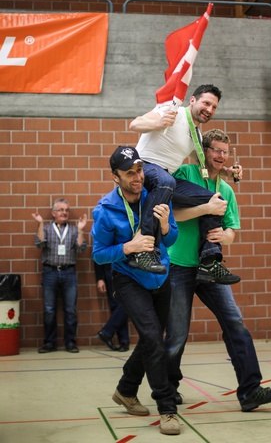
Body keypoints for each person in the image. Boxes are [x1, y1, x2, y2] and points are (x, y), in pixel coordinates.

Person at [165, 129, 271, 411]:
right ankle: (168, 389)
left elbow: (232, 230)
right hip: (179, 266)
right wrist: (206, 208)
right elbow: (174, 215)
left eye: (225, 152)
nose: (221, 156)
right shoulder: (185, 174)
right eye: (216, 150)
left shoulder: (227, 190)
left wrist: (225, 237)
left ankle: (250, 391)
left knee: (234, 322)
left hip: (211, 270)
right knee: (177, 334)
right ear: (204, 151)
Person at [91, 145, 181, 436]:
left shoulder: (155, 196)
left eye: (140, 170)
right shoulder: (105, 210)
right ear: (115, 177)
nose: (138, 177)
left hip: (161, 277)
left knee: (150, 340)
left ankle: (126, 390)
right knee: (153, 338)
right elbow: (99, 254)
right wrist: (128, 247)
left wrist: (165, 226)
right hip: (129, 280)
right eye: (129, 173)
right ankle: (167, 408)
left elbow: (171, 239)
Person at [129, 83, 241, 284]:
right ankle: (142, 250)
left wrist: (227, 172)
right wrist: (158, 122)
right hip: (145, 167)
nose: (209, 109)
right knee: (166, 181)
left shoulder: (196, 135)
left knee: (214, 200)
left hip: (167, 179)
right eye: (206, 103)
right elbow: (135, 124)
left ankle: (209, 260)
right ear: (193, 100)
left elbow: (202, 162)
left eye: (214, 107)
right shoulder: (173, 112)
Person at [33, 198, 87, 353]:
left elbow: (81, 248)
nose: (65, 213)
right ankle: (49, 343)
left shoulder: (74, 229)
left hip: (69, 272)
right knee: (49, 309)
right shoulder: (46, 228)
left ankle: (70, 343)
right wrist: (40, 224)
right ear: (53, 213)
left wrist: (81, 229)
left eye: (67, 210)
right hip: (50, 272)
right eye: (61, 210)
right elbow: (39, 244)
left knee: (70, 309)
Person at [94, 261, 130, 352]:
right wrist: (100, 278)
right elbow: (97, 256)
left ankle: (108, 332)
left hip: (128, 270)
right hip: (111, 269)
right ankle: (123, 341)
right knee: (117, 306)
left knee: (126, 303)